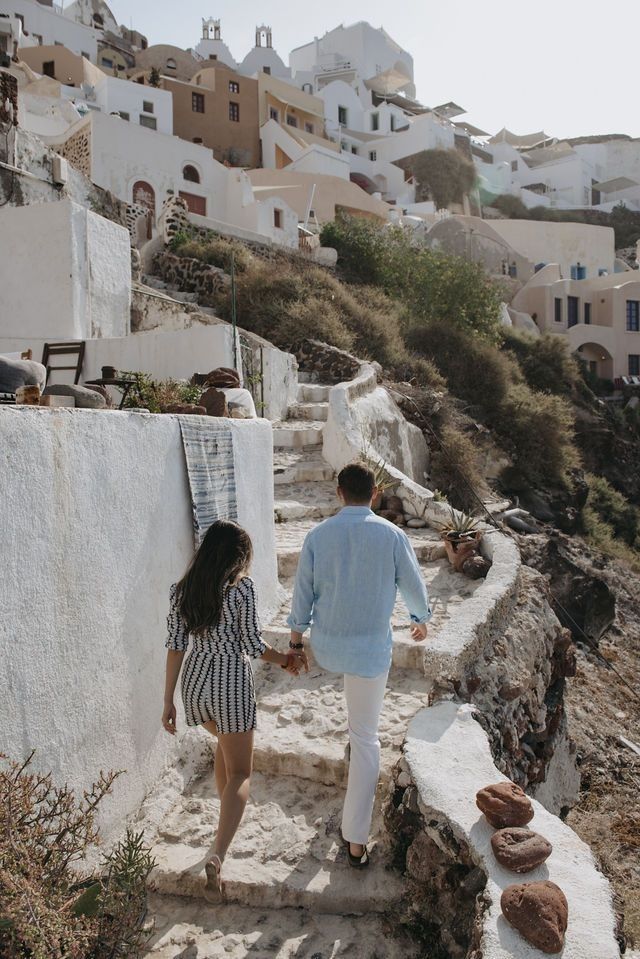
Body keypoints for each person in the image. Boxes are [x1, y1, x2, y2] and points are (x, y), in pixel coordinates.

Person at [287, 462, 431, 868]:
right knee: (367, 737)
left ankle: (354, 752)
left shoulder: (317, 535)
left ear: (338, 493)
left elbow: (303, 592)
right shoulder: (391, 535)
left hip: (328, 647)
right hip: (368, 652)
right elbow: (413, 586)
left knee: (359, 727)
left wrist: (296, 640)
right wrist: (420, 620)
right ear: (374, 495)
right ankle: (355, 841)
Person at [162, 520, 305, 901]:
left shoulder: (181, 591)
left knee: (225, 751)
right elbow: (252, 644)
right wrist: (286, 660)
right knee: (242, 770)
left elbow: (175, 645)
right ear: (238, 556)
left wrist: (168, 701)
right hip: (229, 682)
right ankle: (218, 855)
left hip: (194, 685)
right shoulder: (241, 588)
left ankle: (218, 834)